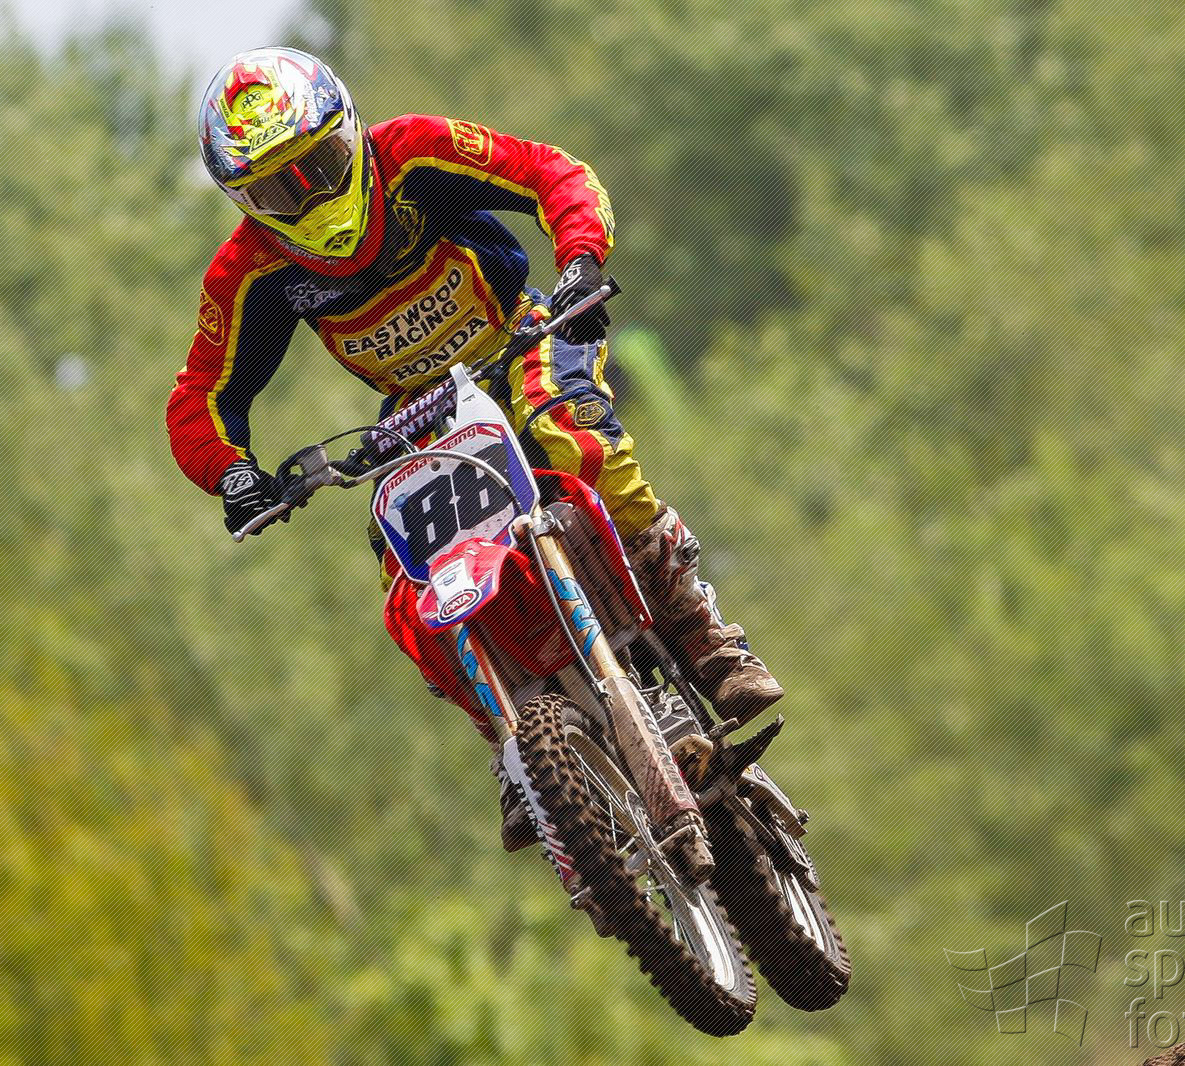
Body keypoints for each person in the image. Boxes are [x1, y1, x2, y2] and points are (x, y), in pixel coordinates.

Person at [167, 46, 782, 851]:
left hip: (519, 335)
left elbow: (550, 173)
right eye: (279, 188)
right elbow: (200, 396)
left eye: (319, 165)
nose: (310, 196)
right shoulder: (251, 270)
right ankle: (513, 744)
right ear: (245, 201)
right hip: (413, 410)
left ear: (348, 133)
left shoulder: (416, 153)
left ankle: (701, 627)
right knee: (407, 575)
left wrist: (580, 260)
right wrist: (233, 474)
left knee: (572, 440)